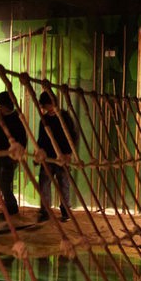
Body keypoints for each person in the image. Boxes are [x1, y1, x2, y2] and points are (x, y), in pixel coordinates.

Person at [35, 90, 78, 222]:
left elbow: (73, 136)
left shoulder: (64, 117)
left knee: (63, 183)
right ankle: (45, 211)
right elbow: (41, 138)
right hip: (48, 157)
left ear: (50, 103)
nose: (43, 108)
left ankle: (65, 211)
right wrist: (39, 152)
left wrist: (68, 153)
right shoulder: (44, 119)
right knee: (44, 184)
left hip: (62, 157)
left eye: (44, 105)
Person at [0, 91, 28, 219]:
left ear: (8, 105)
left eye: (1, 105)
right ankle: (10, 206)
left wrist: (19, 150)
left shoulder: (17, 118)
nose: (0, 108)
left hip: (11, 155)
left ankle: (11, 207)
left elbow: (23, 137)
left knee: (5, 182)